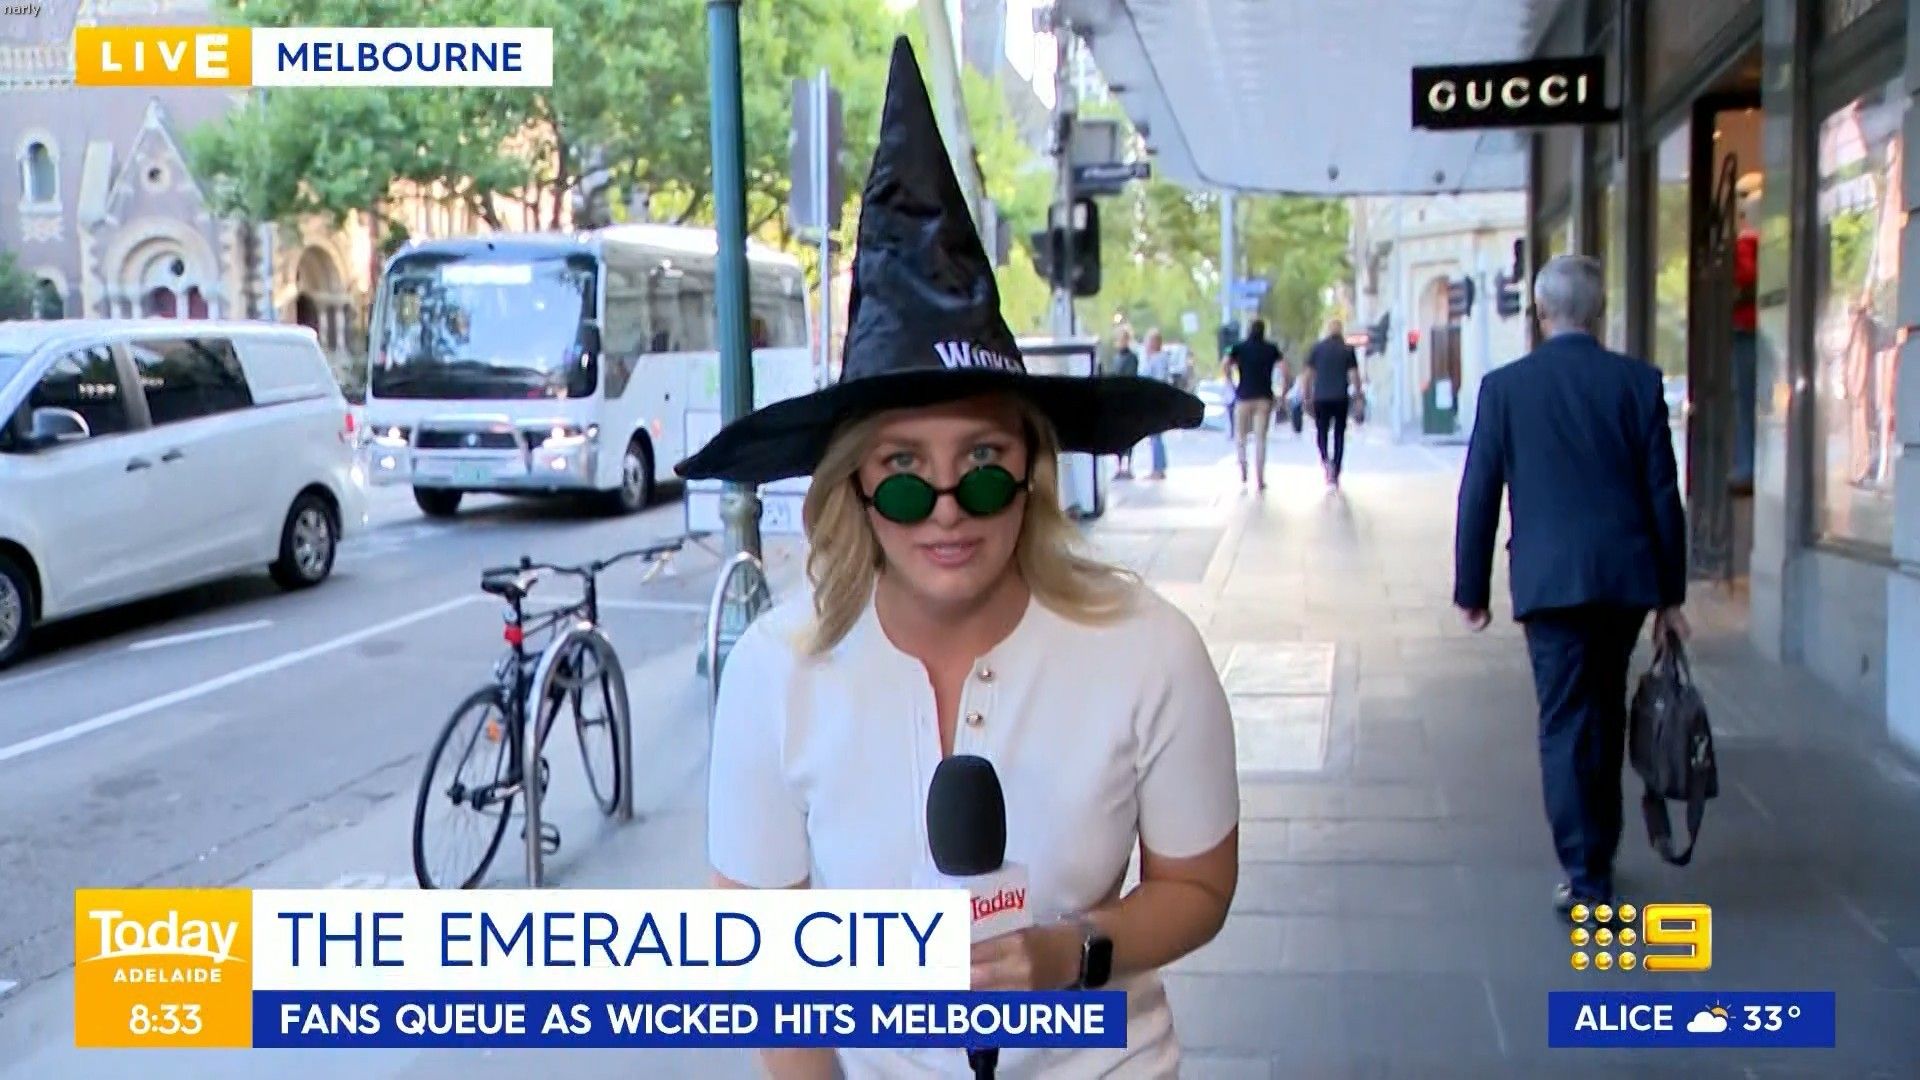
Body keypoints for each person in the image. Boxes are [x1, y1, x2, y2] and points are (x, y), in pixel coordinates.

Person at [679, 39, 1238, 1079]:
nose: (946, 510)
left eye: (981, 465)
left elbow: (1198, 887)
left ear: (1032, 470)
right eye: (903, 472)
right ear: (853, 486)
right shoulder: (772, 673)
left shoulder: (1152, 650)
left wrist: (1071, 954)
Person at [1451, 255, 1691, 915]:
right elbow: (1663, 496)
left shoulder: (1506, 388)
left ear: (1540, 313)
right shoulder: (1637, 383)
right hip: (1622, 582)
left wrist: (1472, 590)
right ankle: (1598, 857)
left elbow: (1479, 493)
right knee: (1605, 713)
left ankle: (1586, 874)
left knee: (1564, 722)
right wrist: (1670, 597)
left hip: (1549, 582)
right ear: (1599, 312)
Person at [1223, 318, 1283, 490]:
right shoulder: (1271, 348)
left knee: (1240, 436)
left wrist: (1230, 383)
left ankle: (1243, 467)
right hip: (1264, 398)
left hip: (1243, 396)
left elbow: (1225, 363)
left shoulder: (1238, 348)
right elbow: (1284, 369)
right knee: (1260, 439)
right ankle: (1260, 478)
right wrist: (1282, 393)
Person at [1301, 319, 1361, 488]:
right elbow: (1354, 376)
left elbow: (1307, 376)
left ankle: (1326, 461)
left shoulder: (1317, 349)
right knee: (1339, 434)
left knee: (1322, 433)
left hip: (1321, 398)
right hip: (1340, 398)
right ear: (1341, 331)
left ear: (1328, 331)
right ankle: (1336, 470)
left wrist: (1306, 397)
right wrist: (1358, 395)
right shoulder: (1347, 350)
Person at [1137, 328, 1173, 479]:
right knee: (1154, 437)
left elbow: (1157, 380)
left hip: (1155, 402)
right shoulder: (1150, 358)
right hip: (1151, 400)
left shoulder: (1159, 359)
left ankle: (1158, 469)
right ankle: (1158, 467)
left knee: (1155, 436)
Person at [1107, 327, 1141, 480]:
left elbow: (1130, 377)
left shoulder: (1132, 357)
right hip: (1118, 401)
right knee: (1118, 436)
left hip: (1128, 400)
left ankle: (1128, 466)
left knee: (1129, 434)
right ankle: (1120, 466)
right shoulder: (1116, 357)